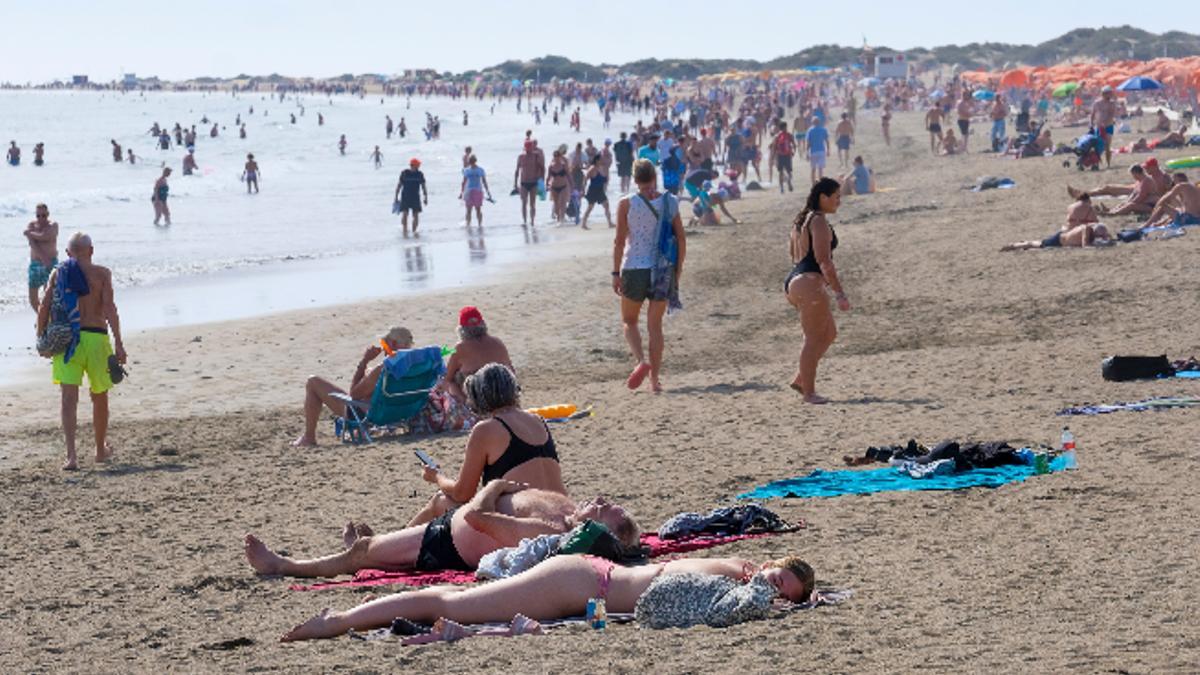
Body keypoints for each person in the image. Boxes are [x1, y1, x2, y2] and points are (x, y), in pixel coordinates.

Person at [278, 552, 814, 641]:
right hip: (583, 584)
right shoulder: (740, 574)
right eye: (775, 580)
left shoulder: (740, 581)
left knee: (452, 603)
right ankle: (341, 619)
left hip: (591, 588)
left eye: (782, 596)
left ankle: (345, 617)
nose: (771, 592)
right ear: (764, 567)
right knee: (446, 603)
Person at [243, 480, 639, 579]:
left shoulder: (548, 530)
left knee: (363, 549)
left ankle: (284, 565)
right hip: (449, 522)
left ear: (598, 532)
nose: (600, 501)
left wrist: (493, 485)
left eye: (604, 510)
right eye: (606, 501)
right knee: (370, 546)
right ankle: (370, 551)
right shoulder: (568, 510)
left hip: (445, 541)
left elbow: (477, 519)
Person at [408, 363, 564, 527]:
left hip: (526, 526)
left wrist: (436, 477)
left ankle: (387, 547)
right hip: (562, 516)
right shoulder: (538, 421)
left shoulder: (486, 429)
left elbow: (462, 494)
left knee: (440, 501)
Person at [35, 232, 127, 470]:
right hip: (96, 339)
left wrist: (40, 338)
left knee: (68, 398)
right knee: (99, 396)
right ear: (91, 250)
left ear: (67, 253)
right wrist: (118, 342)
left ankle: (72, 456)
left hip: (68, 340)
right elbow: (110, 308)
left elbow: (44, 306)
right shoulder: (102, 274)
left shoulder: (59, 272)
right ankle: (99, 450)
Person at [612, 159, 686, 394]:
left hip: (634, 267)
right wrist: (678, 269)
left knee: (629, 321)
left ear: (634, 180)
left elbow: (620, 241)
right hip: (663, 269)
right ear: (655, 176)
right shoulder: (670, 201)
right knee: (655, 326)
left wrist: (615, 272)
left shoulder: (626, 203)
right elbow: (681, 238)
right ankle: (655, 380)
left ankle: (641, 360)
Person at [291, 326, 414, 447]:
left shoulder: (382, 369)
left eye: (383, 343)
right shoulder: (416, 365)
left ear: (392, 344)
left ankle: (309, 437)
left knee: (313, 382)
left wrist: (364, 362)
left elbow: (354, 394)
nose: (382, 347)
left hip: (370, 414)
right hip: (399, 412)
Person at [784, 178, 849, 404]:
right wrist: (839, 293)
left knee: (829, 333)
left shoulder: (801, 219)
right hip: (809, 281)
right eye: (836, 197)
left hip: (797, 279)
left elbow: (794, 255)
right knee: (812, 338)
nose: (839, 201)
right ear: (823, 197)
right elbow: (824, 261)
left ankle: (802, 378)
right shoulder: (819, 221)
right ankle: (809, 393)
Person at [25, 203, 59, 311]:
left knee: (48, 296)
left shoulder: (53, 225)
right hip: (35, 265)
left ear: (48, 214)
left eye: (43, 215)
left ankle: (49, 320)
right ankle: (43, 319)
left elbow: (46, 236)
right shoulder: (32, 225)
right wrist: (43, 257)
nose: (41, 218)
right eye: (38, 216)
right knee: (33, 299)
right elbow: (32, 244)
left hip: (51, 264)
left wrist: (30, 234)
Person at [1093, 164, 1158, 216]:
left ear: (1136, 173)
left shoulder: (1147, 181)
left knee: (1130, 205)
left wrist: (1129, 203)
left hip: (1151, 206)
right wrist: (1125, 202)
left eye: (1133, 175)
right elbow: (1133, 194)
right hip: (1143, 203)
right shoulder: (1140, 181)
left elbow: (1141, 197)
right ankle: (1111, 210)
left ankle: (1113, 214)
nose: (1133, 177)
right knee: (1126, 202)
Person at [513, 140, 545, 226]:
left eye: (529, 148)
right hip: (524, 182)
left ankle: (532, 221)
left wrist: (542, 180)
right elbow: (517, 171)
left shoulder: (536, 156)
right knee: (523, 202)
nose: (528, 150)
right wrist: (515, 184)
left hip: (533, 182)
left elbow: (542, 168)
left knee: (532, 203)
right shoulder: (521, 157)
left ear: (532, 147)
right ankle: (524, 221)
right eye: (527, 148)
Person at [395, 158, 428, 234]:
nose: (419, 166)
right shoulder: (404, 173)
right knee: (405, 214)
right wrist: (396, 196)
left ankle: (414, 231)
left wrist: (425, 197)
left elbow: (423, 186)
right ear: (413, 165)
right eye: (417, 165)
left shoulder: (420, 174)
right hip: (405, 197)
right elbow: (399, 185)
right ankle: (405, 231)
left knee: (416, 215)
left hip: (415, 197)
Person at [460, 154, 491, 226]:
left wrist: (461, 192)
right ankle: (479, 224)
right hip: (477, 191)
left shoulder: (467, 170)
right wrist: (488, 192)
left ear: (469, 162)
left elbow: (464, 182)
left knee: (469, 210)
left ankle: (469, 225)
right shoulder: (480, 170)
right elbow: (484, 182)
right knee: (477, 210)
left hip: (470, 191)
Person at [581, 158, 613, 228]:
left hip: (600, 190)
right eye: (600, 160)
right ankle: (583, 223)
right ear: (597, 161)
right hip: (593, 190)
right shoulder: (592, 168)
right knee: (590, 207)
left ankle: (610, 223)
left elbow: (605, 180)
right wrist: (583, 190)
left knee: (606, 205)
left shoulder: (602, 168)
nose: (602, 161)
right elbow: (585, 179)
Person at [1091, 86, 1117, 168]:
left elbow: (1111, 115)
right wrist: (1091, 123)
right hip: (1098, 127)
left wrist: (1104, 123)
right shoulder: (1097, 103)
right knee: (1097, 146)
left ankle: (1108, 164)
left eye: (1110, 93)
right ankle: (1096, 163)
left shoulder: (1112, 104)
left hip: (1108, 126)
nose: (1109, 95)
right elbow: (1093, 114)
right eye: (1108, 93)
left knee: (1107, 146)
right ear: (1103, 94)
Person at [546, 149, 572, 223]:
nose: (556, 157)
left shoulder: (564, 165)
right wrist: (546, 185)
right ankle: (558, 219)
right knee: (556, 205)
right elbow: (548, 177)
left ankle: (562, 220)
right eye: (555, 156)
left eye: (557, 156)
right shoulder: (551, 166)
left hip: (563, 186)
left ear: (560, 157)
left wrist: (572, 185)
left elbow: (569, 175)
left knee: (562, 203)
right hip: (554, 187)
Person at [771, 121, 795, 194]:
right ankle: (788, 182)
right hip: (787, 155)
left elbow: (774, 147)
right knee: (788, 171)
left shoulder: (777, 136)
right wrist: (793, 152)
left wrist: (773, 157)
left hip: (780, 155)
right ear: (785, 127)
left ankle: (781, 188)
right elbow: (794, 144)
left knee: (781, 172)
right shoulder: (789, 135)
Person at [804, 117, 829, 185]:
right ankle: (821, 183)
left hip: (813, 151)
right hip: (821, 151)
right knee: (820, 169)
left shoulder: (810, 130)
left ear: (812, 122)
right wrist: (828, 150)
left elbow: (808, 143)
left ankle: (813, 184)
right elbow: (826, 140)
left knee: (813, 169)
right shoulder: (823, 129)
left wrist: (807, 152)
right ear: (819, 122)